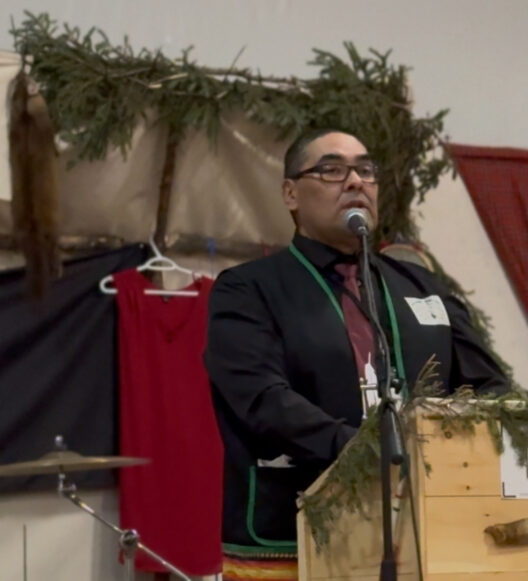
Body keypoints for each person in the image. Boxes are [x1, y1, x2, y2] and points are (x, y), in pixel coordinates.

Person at [205, 128, 508, 580]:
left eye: (366, 170)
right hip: (295, 535)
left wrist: (444, 454)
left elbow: (491, 388)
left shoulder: (421, 287)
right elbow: (262, 400)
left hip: (427, 532)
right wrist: (368, 452)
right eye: (332, 170)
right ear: (290, 193)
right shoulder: (248, 289)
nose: (355, 182)